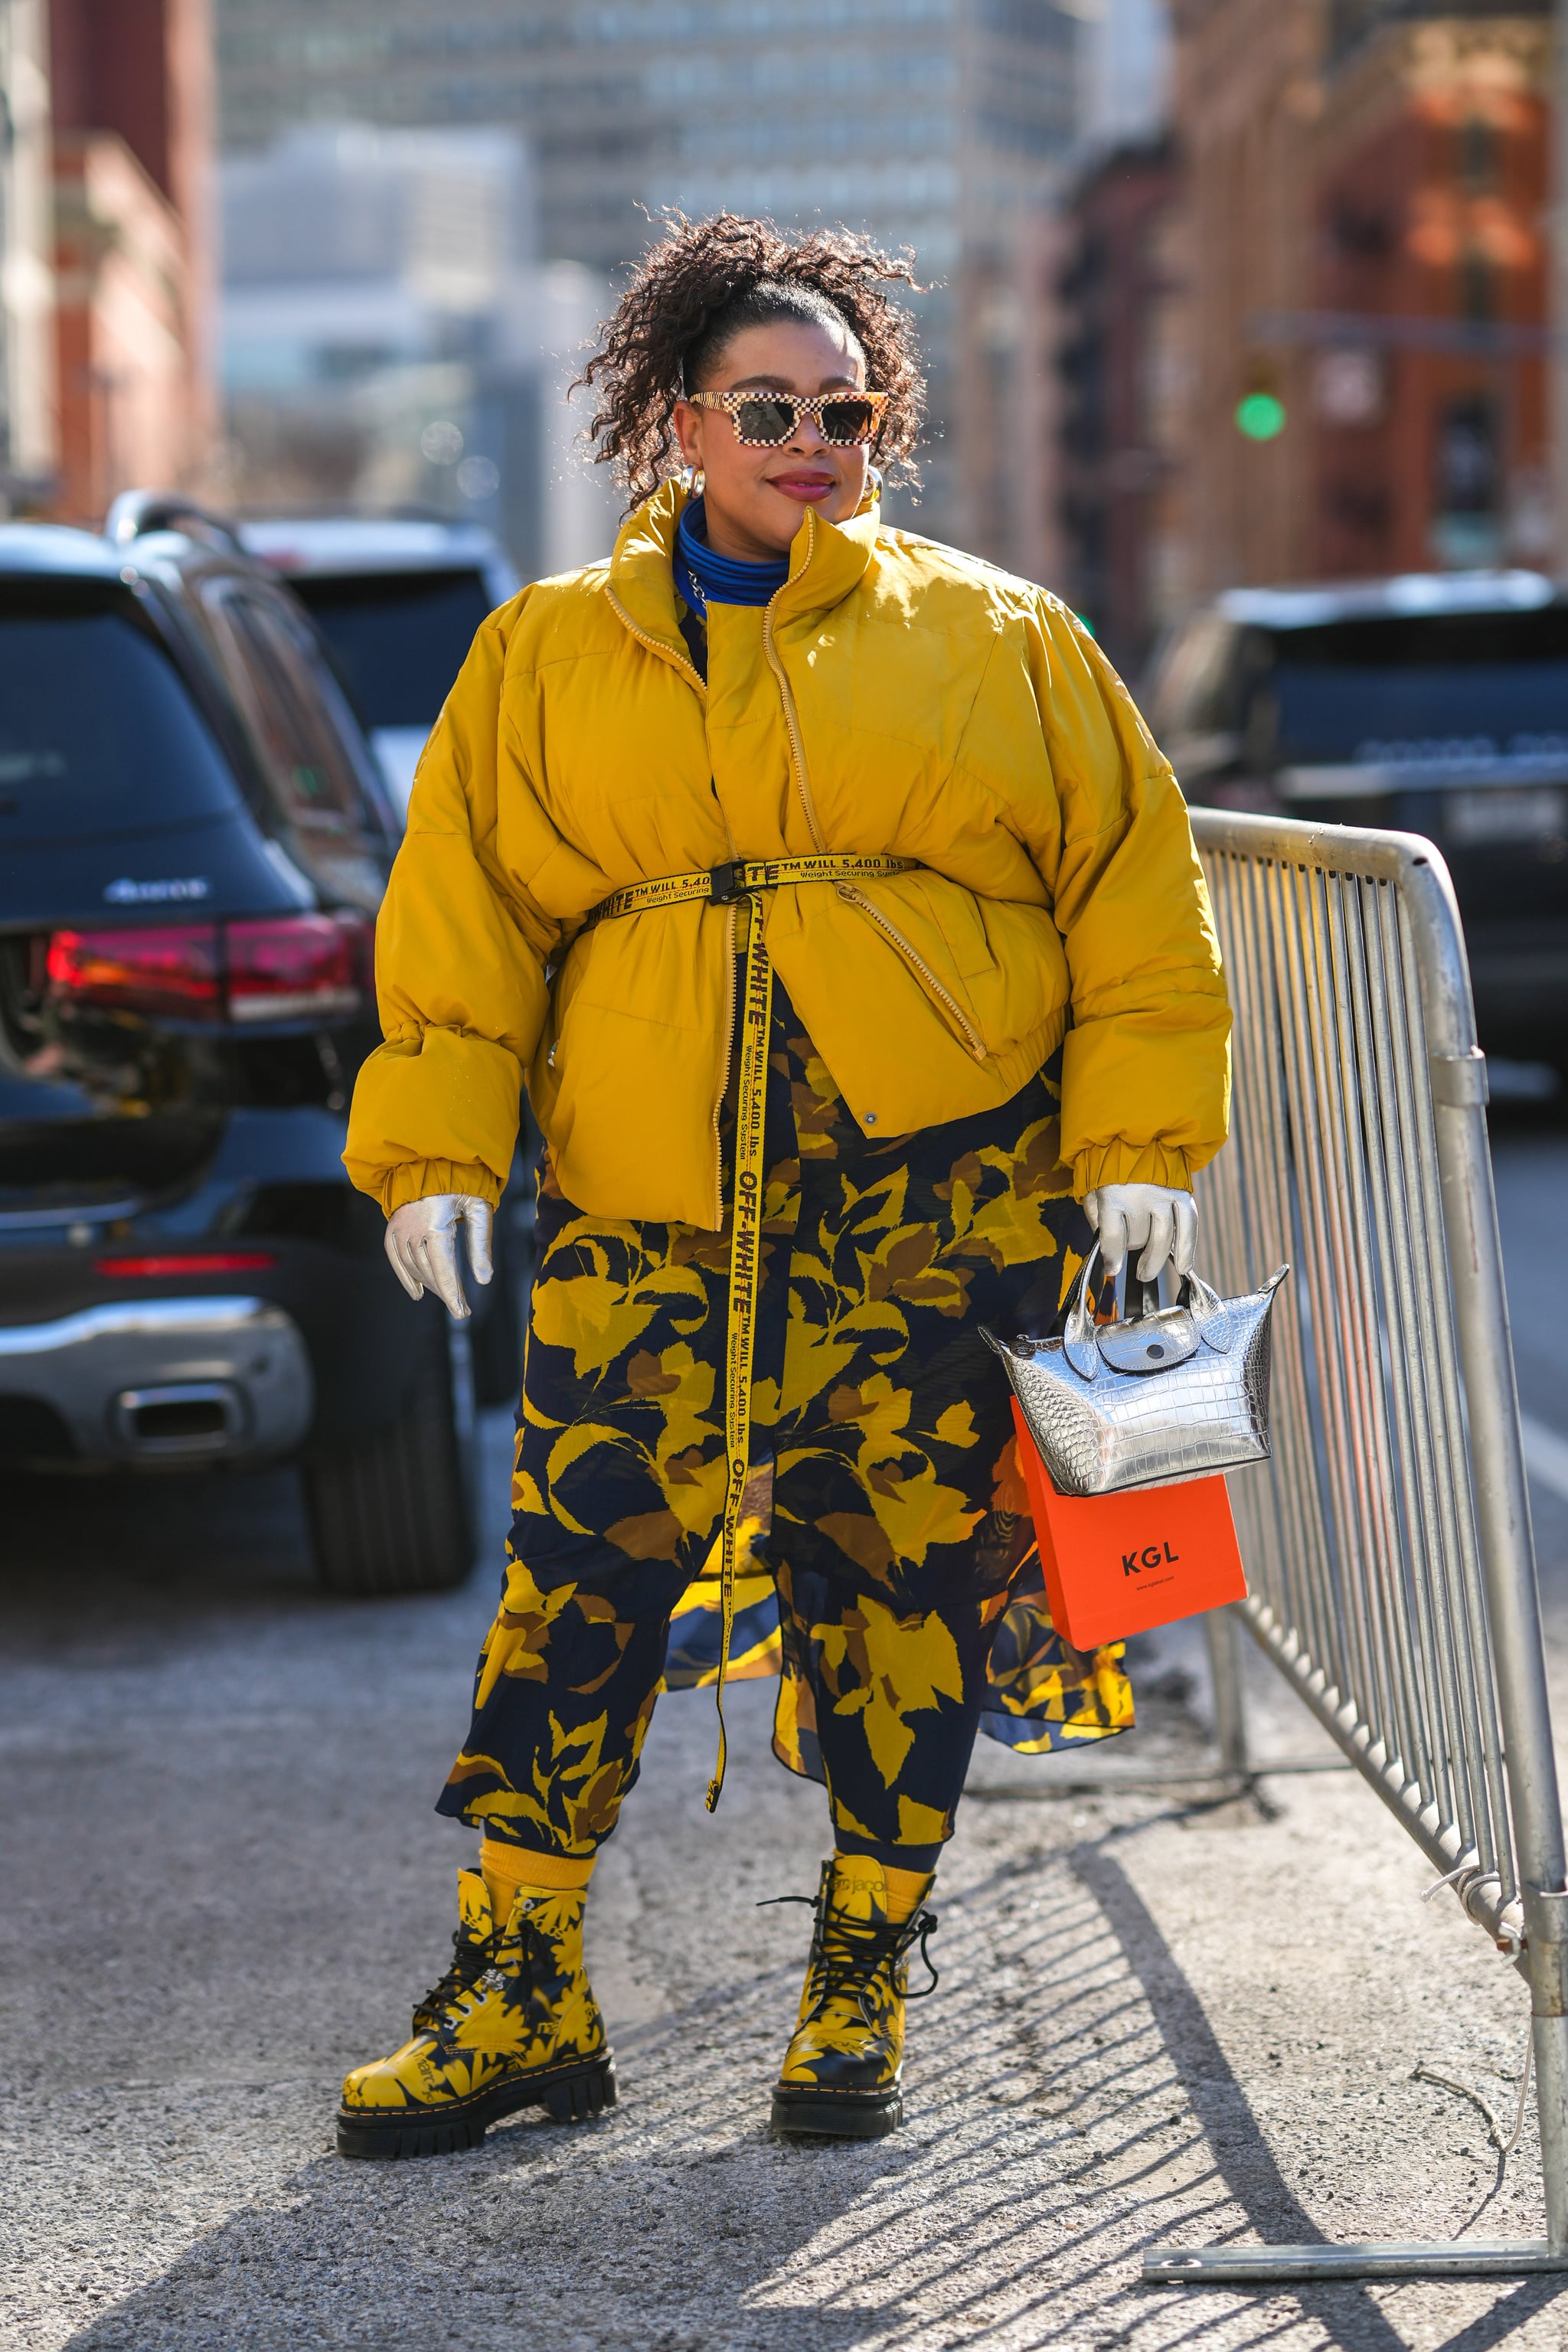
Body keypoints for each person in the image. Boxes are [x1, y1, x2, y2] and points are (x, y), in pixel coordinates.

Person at [335, 212, 1230, 2161]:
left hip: (943, 1195)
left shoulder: (996, 633)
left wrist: (1136, 1147)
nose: (812, 440)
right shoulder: (545, 651)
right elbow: (462, 920)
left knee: (905, 1582)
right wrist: (429, 1150)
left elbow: (1133, 904)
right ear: (678, 423)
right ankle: (516, 1991)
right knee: (571, 1583)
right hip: (647, 1202)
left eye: (846, 410)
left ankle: (858, 1978)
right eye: (769, 408)